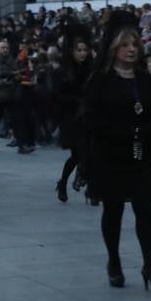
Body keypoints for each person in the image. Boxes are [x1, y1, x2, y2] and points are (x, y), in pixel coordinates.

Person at [83, 11, 151, 293]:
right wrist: (123, 131)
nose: (131, 49)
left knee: (146, 212)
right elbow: (92, 118)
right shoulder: (101, 80)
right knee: (114, 211)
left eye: (135, 44)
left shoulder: (145, 79)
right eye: (125, 45)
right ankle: (114, 262)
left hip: (141, 155)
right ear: (113, 48)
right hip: (111, 155)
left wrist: (149, 129)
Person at [54, 24, 94, 203]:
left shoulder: (90, 69)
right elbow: (59, 96)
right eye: (79, 50)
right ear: (72, 52)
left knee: (90, 153)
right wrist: (78, 100)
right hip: (71, 118)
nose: (83, 53)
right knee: (77, 155)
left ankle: (90, 188)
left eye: (85, 50)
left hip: (88, 117)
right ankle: (63, 182)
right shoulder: (64, 71)